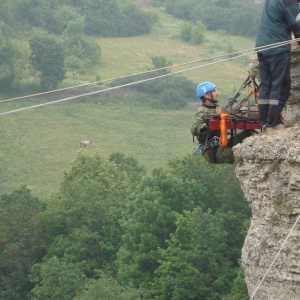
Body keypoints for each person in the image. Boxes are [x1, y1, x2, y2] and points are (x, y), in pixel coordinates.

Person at [255, 0, 300, 130]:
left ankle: (264, 122)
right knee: (280, 85)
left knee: (266, 84)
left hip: (262, 46)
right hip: (277, 47)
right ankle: (273, 123)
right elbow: (297, 24)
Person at [190, 81, 253, 164]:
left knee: (248, 134)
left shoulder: (218, 109)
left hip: (223, 144)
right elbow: (194, 128)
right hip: (212, 150)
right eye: (213, 91)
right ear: (206, 95)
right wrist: (206, 125)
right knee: (241, 153)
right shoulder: (202, 111)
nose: (217, 93)